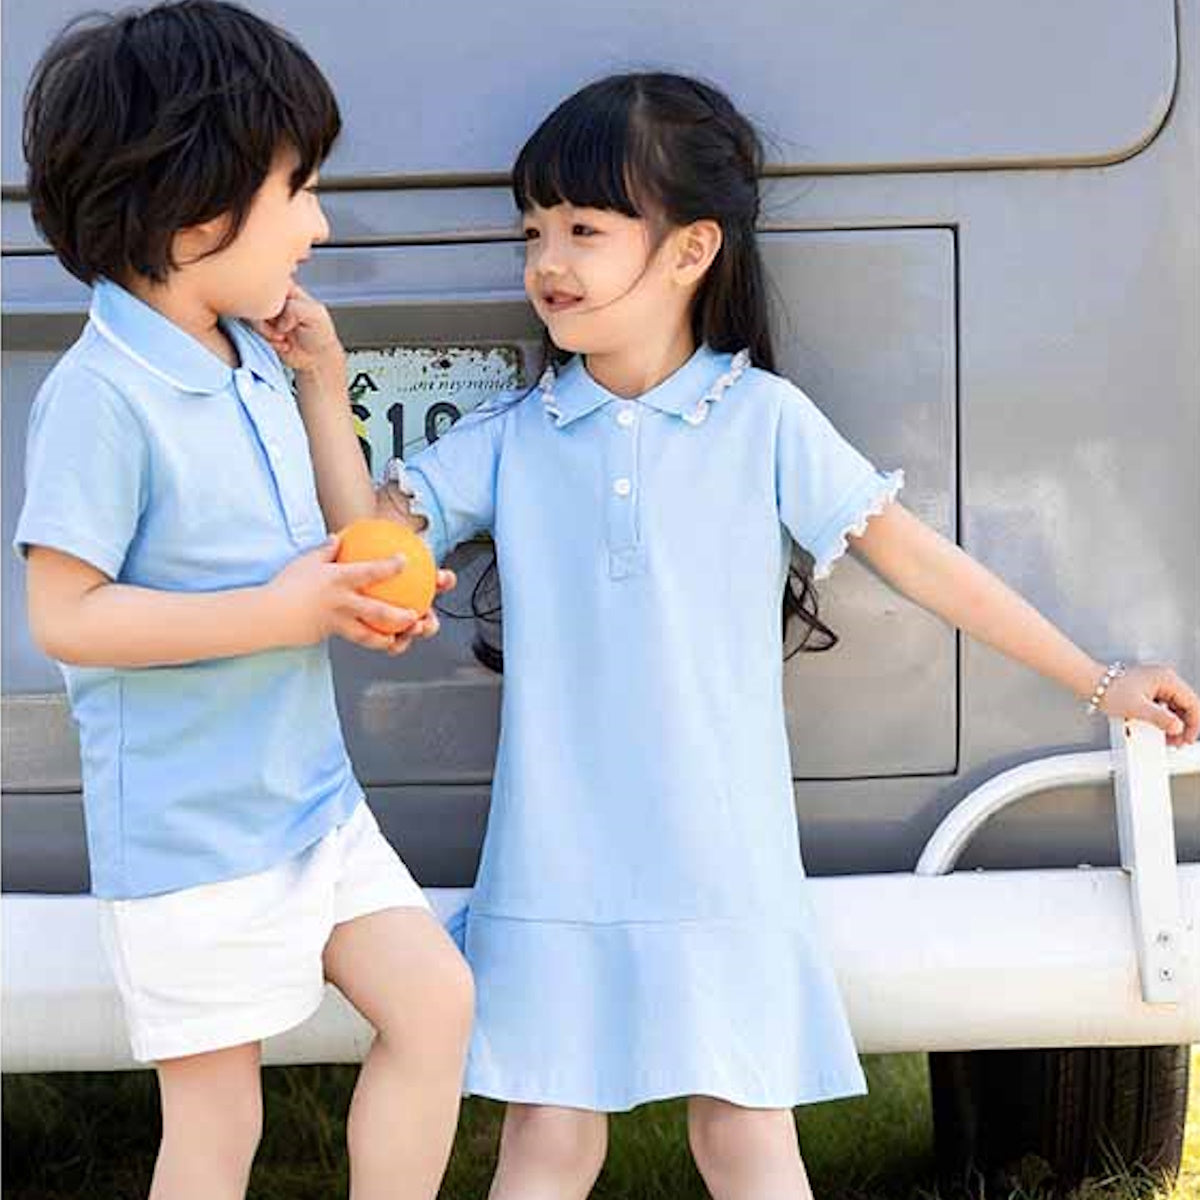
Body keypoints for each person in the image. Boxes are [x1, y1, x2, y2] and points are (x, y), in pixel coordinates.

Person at [335, 72, 1199, 1200]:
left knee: (746, 1132)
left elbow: (924, 564)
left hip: (721, 856)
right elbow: (366, 536)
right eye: (532, 231)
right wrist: (313, 388)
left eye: (583, 230)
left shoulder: (763, 422)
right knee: (548, 1135)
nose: (546, 260)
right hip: (554, 858)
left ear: (692, 251)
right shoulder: (510, 438)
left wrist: (1098, 680)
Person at [14, 4, 472, 1198]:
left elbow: (336, 538)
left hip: (312, 805)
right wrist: (282, 612)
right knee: (219, 1133)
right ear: (196, 208)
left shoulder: (252, 349)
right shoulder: (102, 396)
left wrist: (326, 395)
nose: (322, 223)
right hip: (193, 843)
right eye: (303, 189)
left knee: (435, 1003)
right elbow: (66, 616)